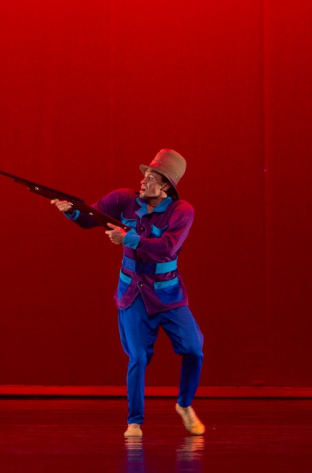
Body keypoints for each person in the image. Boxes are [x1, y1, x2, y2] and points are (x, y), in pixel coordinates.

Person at [51, 149, 205, 438]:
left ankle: (184, 405)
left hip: (168, 295)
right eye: (144, 176)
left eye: (151, 177)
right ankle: (134, 422)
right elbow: (90, 217)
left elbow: (167, 248)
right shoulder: (124, 200)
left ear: (166, 186)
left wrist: (129, 238)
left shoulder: (182, 211)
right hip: (133, 293)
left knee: (194, 348)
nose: (143, 181)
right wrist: (71, 210)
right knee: (137, 356)